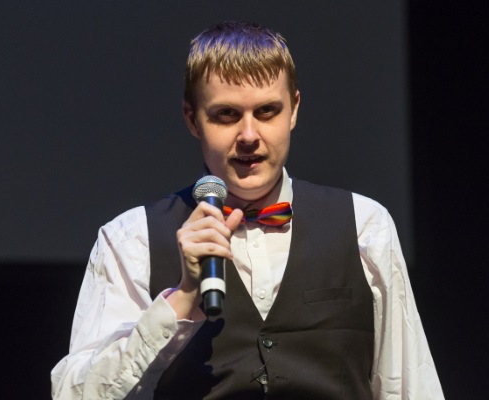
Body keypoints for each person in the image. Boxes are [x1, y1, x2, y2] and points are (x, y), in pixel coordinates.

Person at [51, 21, 444, 399]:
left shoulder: (364, 226)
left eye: (267, 112)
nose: (250, 136)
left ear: (294, 110)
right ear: (192, 118)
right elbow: (75, 395)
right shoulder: (131, 238)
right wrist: (182, 299)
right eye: (227, 115)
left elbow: (408, 386)